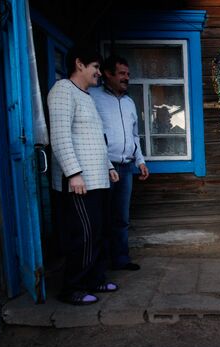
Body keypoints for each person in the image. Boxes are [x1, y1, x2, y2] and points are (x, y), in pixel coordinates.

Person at [48, 45, 119, 305]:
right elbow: (60, 136)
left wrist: (109, 166)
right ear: (79, 64)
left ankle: (95, 279)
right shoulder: (63, 91)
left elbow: (96, 140)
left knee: (99, 232)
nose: (99, 73)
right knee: (84, 235)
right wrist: (74, 174)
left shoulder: (86, 95)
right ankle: (72, 288)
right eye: (96, 67)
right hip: (79, 182)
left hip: (97, 179)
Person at [90, 55, 149, 271]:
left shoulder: (129, 102)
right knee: (102, 217)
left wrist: (140, 161)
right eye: (122, 73)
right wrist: (105, 164)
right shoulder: (93, 97)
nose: (127, 78)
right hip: (103, 167)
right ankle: (101, 263)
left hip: (126, 168)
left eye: (128, 74)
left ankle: (121, 259)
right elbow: (93, 135)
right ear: (107, 74)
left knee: (121, 217)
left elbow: (135, 135)